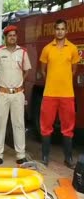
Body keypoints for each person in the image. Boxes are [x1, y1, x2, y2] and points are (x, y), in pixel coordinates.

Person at [39, 19, 80, 169]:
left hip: (67, 94)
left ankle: (68, 158)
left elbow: (74, 70)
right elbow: (43, 70)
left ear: (66, 31)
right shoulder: (47, 49)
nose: (60, 31)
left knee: (68, 127)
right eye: (57, 29)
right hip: (49, 93)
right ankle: (44, 157)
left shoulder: (73, 49)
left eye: (63, 29)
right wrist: (52, 80)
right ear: (54, 31)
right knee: (46, 126)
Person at [0, 25, 31, 166]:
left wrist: (20, 82)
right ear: (5, 38)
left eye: (14, 35)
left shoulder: (23, 52)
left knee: (19, 124)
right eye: (9, 35)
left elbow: (26, 70)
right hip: (3, 93)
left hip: (18, 94)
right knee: (0, 124)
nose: (12, 37)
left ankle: (20, 155)